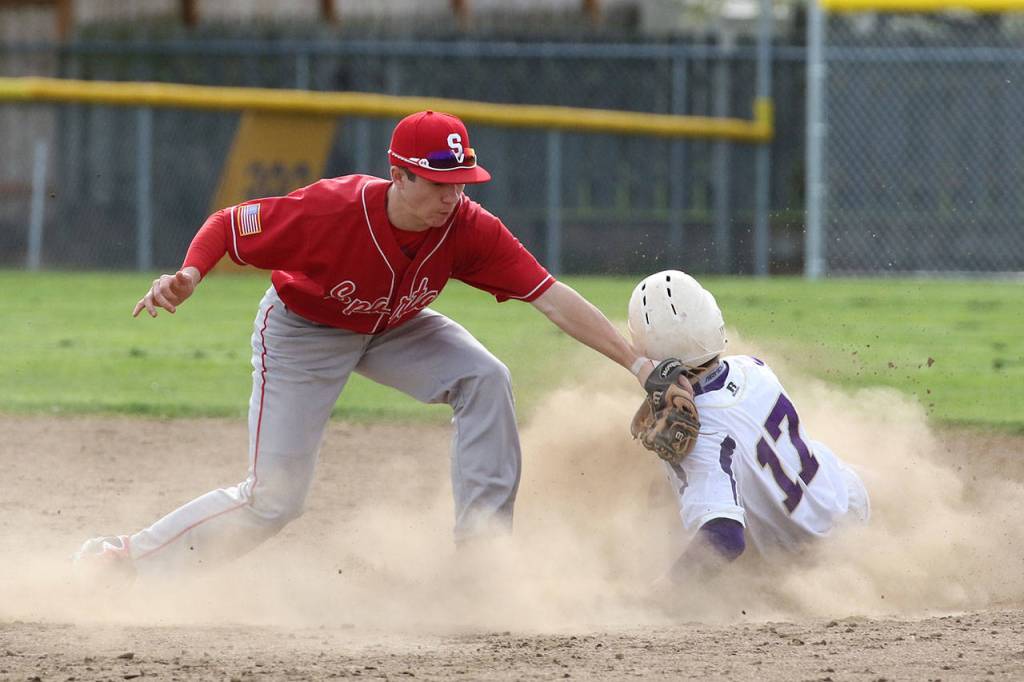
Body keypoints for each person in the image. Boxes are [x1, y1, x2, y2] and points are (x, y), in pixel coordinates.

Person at [74, 110, 655, 579]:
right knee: (274, 501)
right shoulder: (331, 209)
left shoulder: (468, 228)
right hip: (304, 331)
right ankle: (125, 561)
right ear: (399, 175)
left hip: (396, 327)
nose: (453, 196)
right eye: (439, 182)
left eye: (462, 183)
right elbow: (229, 225)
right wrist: (190, 275)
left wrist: (637, 363)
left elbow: (551, 296)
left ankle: (483, 558)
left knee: (485, 377)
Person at [627, 270, 870, 583]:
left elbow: (725, 536)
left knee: (709, 509)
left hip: (817, 561)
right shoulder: (753, 368)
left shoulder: (701, 438)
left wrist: (664, 595)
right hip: (846, 495)